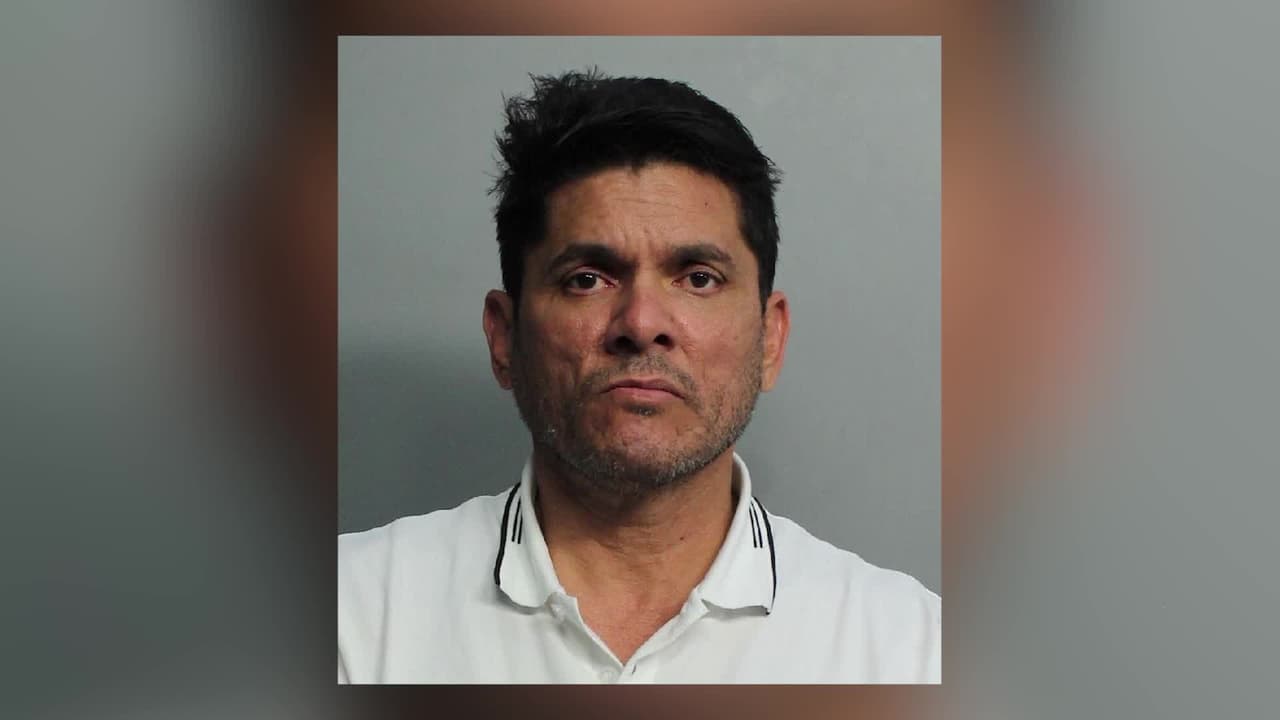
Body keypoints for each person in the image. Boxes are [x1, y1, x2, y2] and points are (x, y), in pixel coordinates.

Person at [337, 69, 940, 683]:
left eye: (699, 278)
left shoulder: (909, 650)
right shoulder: (350, 618)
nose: (642, 323)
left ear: (770, 338)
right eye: (587, 279)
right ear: (504, 337)